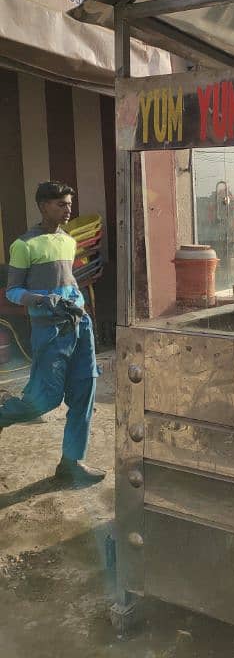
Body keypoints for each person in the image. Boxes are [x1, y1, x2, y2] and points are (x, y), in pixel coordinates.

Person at [0, 181, 105, 485]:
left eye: (70, 204)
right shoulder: (24, 245)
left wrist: (78, 303)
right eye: (61, 204)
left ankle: (71, 463)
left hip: (79, 326)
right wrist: (39, 299)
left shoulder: (69, 241)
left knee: (85, 391)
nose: (68, 209)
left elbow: (68, 278)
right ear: (43, 206)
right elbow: (13, 291)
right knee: (43, 400)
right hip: (49, 330)